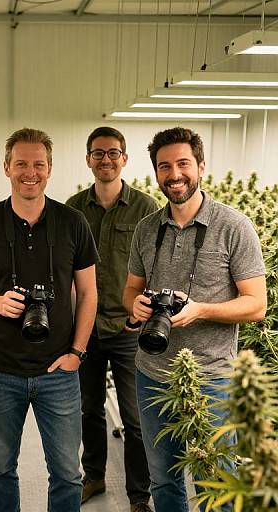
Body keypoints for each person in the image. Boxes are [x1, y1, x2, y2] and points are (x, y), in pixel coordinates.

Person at [122, 127, 267, 512]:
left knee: (217, 479)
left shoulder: (233, 226)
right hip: (152, 373)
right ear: (156, 172)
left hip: (213, 377)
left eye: (183, 163)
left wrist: (200, 309)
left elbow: (256, 305)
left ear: (201, 166)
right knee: (163, 479)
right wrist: (136, 306)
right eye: (164, 166)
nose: (174, 174)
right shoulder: (146, 228)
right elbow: (130, 291)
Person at [0, 127, 98, 512]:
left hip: (60, 371)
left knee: (68, 472)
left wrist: (77, 354)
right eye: (21, 163)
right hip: (0, 371)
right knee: (0, 466)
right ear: (6, 167)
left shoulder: (73, 223)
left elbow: (88, 294)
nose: (29, 172)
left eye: (38, 164)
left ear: (50, 169)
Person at [66, 126, 157, 512]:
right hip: (84, 328)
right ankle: (95, 477)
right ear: (89, 159)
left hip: (127, 328)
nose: (106, 159)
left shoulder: (146, 208)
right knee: (88, 409)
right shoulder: (72, 208)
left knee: (135, 419)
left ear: (124, 158)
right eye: (98, 153)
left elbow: (156, 267)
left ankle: (139, 494)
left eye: (113, 153)